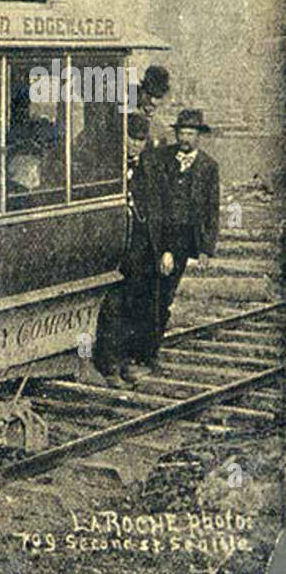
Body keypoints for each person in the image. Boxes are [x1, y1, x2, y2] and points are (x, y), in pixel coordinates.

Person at [143, 109, 220, 377]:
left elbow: (212, 209)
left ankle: (149, 350)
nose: (185, 138)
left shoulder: (209, 167)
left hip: (186, 241)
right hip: (161, 238)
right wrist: (164, 247)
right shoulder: (163, 159)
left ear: (199, 136)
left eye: (190, 133)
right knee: (157, 295)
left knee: (165, 295)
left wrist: (206, 248)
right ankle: (148, 353)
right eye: (181, 133)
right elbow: (157, 203)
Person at [94, 114, 163, 387]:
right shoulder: (108, 167)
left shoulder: (150, 170)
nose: (135, 145)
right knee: (113, 307)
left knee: (136, 306)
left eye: (140, 141)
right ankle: (109, 365)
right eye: (131, 139)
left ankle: (128, 362)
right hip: (115, 248)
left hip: (141, 251)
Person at [135, 65, 171, 149]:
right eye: (149, 94)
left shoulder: (159, 127)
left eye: (158, 96)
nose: (153, 101)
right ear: (142, 90)